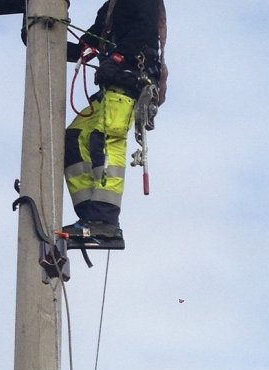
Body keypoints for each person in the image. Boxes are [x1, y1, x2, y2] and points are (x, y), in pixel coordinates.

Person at [61, 0, 167, 245]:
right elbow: (86, 45)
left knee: (107, 140)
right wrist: (43, 37)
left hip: (130, 82)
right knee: (75, 137)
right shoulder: (110, 9)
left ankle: (105, 221)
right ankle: (91, 217)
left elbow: (143, 30)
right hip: (113, 84)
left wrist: (117, 58)